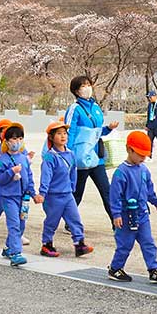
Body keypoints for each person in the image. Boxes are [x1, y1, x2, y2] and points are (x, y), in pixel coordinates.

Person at [107, 131, 157, 283]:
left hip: (142, 214)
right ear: (129, 149)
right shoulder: (121, 172)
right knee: (125, 244)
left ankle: (153, 270)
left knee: (148, 243)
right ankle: (115, 268)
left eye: (145, 155)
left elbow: (149, 190)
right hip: (126, 215)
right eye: (140, 154)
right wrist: (116, 214)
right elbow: (114, 196)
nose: (143, 158)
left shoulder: (144, 170)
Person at [65, 75, 118, 225]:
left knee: (107, 191)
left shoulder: (95, 107)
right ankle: (70, 222)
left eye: (89, 84)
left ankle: (116, 224)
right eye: (83, 86)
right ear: (76, 91)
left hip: (96, 157)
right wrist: (68, 155)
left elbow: (96, 132)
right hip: (80, 158)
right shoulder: (75, 109)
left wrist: (108, 129)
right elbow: (69, 132)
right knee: (77, 193)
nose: (87, 88)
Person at [38, 120, 93, 258]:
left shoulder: (71, 154)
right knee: (52, 221)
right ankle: (46, 245)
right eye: (59, 133)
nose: (63, 136)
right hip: (53, 196)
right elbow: (46, 176)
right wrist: (42, 193)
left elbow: (73, 172)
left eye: (64, 133)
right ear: (51, 137)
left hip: (67, 194)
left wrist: (72, 187)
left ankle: (79, 244)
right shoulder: (50, 157)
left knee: (75, 219)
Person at [0, 123, 33, 267]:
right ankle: (16, 253)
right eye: (14, 139)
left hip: (23, 197)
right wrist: (11, 172)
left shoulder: (24, 158)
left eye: (20, 138)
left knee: (21, 224)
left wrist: (33, 192)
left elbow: (29, 176)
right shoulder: (2, 160)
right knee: (14, 224)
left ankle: (9, 247)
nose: (17, 142)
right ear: (7, 141)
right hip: (8, 197)